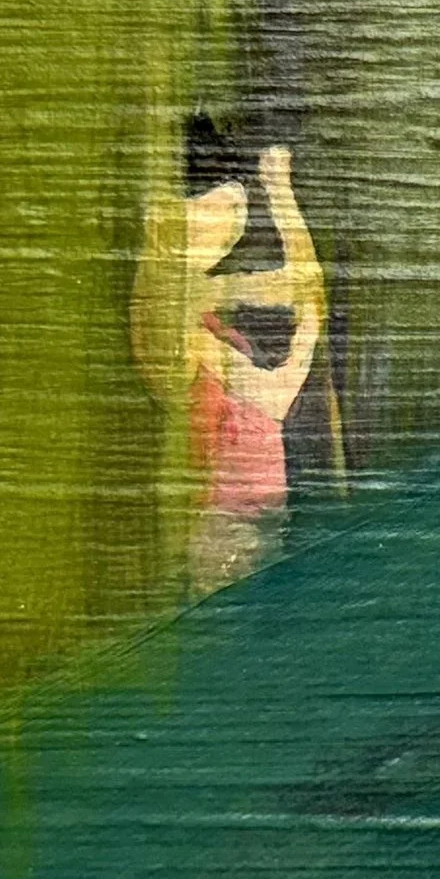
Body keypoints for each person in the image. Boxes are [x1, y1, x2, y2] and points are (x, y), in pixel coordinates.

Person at [131, 111, 330, 594]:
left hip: (249, 515)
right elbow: (275, 392)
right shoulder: (171, 304)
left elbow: (305, 293)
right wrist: (279, 193)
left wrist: (280, 194)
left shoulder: (200, 306)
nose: (224, 233)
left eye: (232, 216)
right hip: (218, 521)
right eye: (210, 217)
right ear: (162, 223)